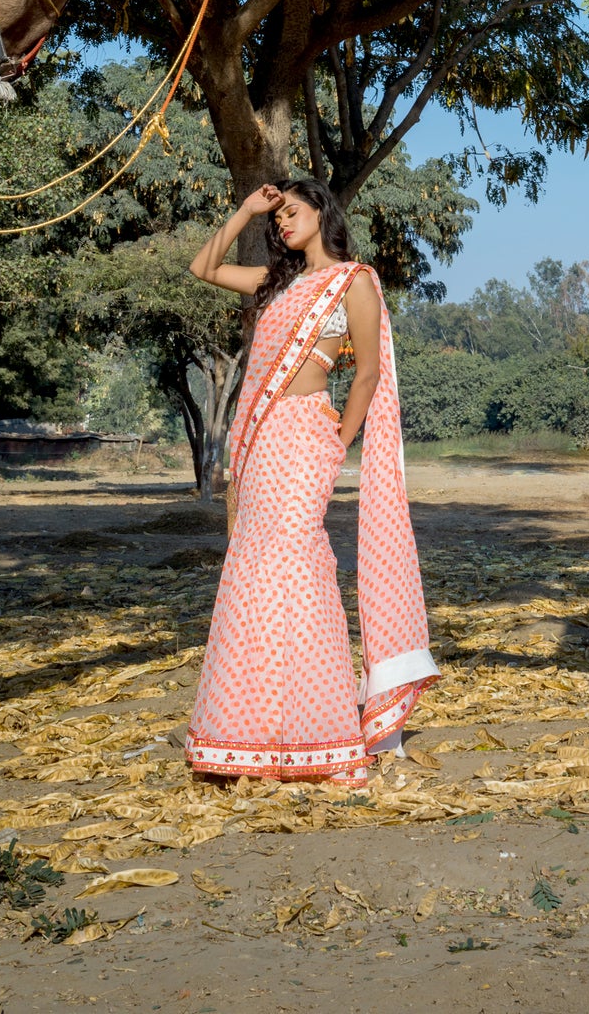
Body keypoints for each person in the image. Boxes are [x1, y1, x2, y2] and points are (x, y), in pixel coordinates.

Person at [182, 179, 438, 787]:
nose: (284, 224)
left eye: (293, 213)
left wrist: (338, 439)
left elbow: (369, 373)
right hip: (262, 441)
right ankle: (252, 729)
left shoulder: (354, 281)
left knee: (299, 561)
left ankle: (317, 727)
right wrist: (248, 209)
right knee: (255, 566)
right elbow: (203, 266)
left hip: (307, 440)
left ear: (323, 212)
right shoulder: (277, 283)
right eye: (279, 219)